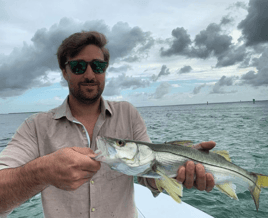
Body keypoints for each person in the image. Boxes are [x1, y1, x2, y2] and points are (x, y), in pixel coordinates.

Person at [0, 31, 215, 218]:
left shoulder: (128, 113)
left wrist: (177, 165)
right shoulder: (35, 127)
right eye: (78, 66)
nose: (90, 74)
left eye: (99, 66)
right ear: (64, 71)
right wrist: (41, 172)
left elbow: (146, 174)